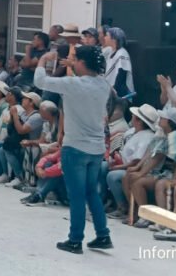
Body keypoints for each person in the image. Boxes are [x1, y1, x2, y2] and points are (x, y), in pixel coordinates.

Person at [34, 45, 113, 254]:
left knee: (76, 195)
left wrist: (43, 60)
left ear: (82, 63)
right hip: (96, 148)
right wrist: (72, 64)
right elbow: (85, 75)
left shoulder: (73, 84)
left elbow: (40, 81)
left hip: (75, 146)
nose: (73, 62)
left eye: (75, 60)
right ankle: (103, 235)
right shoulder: (104, 85)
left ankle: (75, 239)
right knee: (91, 193)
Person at [124, 107, 176, 228]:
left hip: (167, 173)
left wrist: (141, 173)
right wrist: (138, 167)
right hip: (156, 170)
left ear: (170, 122)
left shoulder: (173, 136)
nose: (160, 118)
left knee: (138, 182)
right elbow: (150, 151)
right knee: (127, 177)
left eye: (164, 118)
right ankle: (136, 211)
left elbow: (158, 156)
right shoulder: (161, 132)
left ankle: (147, 216)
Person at [104, 103, 159, 218]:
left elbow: (136, 161)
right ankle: (103, 200)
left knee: (113, 176)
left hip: (132, 168)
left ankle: (123, 207)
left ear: (139, 120)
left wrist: (117, 167)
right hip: (121, 163)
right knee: (102, 167)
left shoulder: (147, 137)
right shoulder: (131, 132)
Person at [3, 91, 44, 187]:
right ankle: (7, 175)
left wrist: (15, 115)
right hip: (23, 142)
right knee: (3, 147)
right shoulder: (24, 113)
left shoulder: (36, 116)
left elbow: (21, 130)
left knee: (8, 146)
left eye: (25, 98)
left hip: (33, 144)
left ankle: (19, 177)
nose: (22, 99)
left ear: (31, 102)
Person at [103, 27, 134, 99]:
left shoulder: (122, 54)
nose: (104, 37)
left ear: (114, 39)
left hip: (119, 94)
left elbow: (121, 77)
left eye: (107, 35)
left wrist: (113, 90)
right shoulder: (111, 52)